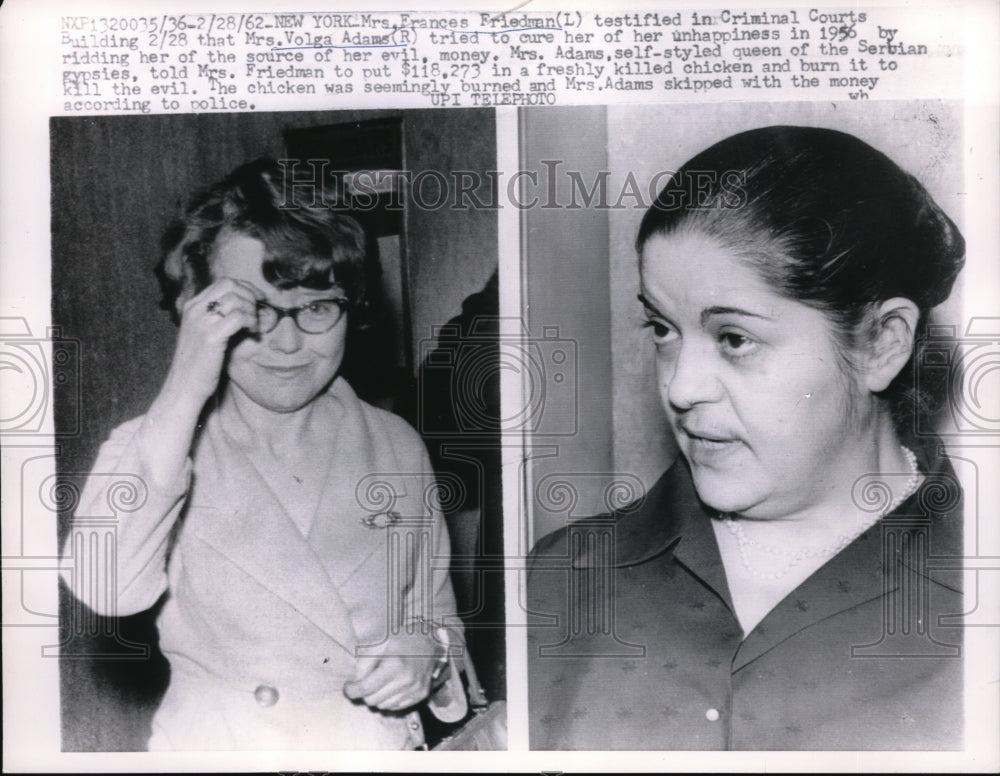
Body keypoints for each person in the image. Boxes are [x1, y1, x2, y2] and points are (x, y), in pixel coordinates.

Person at [528, 126, 966, 750]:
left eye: (734, 338)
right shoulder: (563, 576)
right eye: (662, 329)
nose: (680, 387)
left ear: (882, 343)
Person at [60, 158, 467, 750]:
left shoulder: (395, 443)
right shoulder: (155, 446)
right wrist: (186, 380)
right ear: (196, 308)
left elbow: (438, 616)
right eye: (252, 309)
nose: (287, 342)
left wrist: (426, 649)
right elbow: (104, 587)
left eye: (318, 307)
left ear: (353, 308)